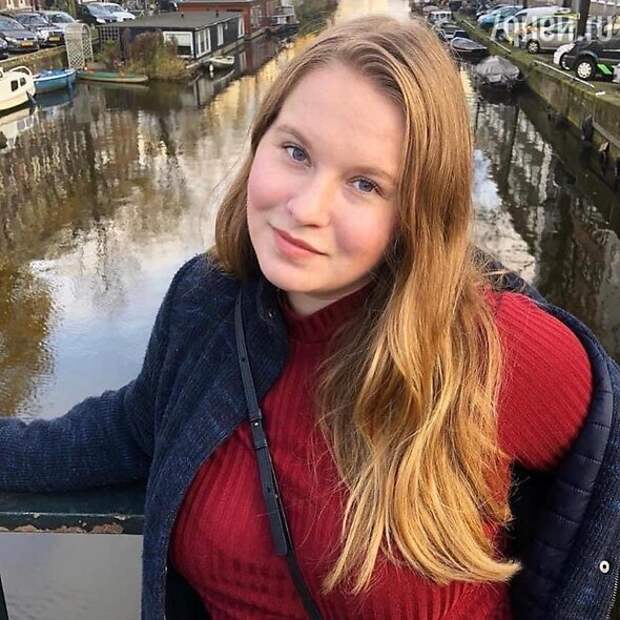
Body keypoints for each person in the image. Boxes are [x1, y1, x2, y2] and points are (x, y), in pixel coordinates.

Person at [1, 14, 619, 620]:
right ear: (260, 140)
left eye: (366, 184)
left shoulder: (493, 346)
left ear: (417, 212)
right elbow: (136, 427)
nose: (306, 208)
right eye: (296, 152)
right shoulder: (205, 302)